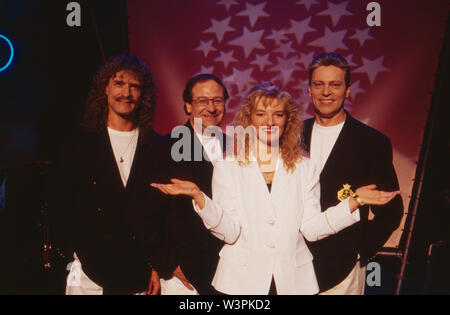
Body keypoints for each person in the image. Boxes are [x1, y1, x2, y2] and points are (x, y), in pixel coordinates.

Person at [152, 83, 400, 295]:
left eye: (278, 115)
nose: (269, 122)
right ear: (249, 120)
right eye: (261, 114)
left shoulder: (305, 167)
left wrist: (354, 201)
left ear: (288, 120)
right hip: (241, 283)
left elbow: (312, 229)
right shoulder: (228, 166)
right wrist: (200, 197)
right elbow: (229, 232)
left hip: (293, 281)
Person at [49, 55, 172, 295]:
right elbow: (60, 205)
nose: (126, 93)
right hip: (88, 274)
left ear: (143, 94)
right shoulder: (78, 144)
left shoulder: (158, 146)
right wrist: (75, 255)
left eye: (134, 86)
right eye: (119, 83)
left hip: (140, 273)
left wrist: (157, 265)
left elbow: (163, 214)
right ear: (105, 88)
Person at [302, 52, 404, 294]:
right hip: (293, 266)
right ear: (309, 90)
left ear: (347, 90)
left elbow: (391, 211)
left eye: (335, 85)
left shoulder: (372, 143)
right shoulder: (290, 136)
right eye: (319, 84)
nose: (326, 92)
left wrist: (359, 251)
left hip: (343, 273)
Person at [160, 74, 230, 295]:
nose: (211, 107)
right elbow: (147, 212)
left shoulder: (239, 147)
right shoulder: (164, 147)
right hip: (183, 275)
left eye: (217, 100)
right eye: (202, 101)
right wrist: (167, 263)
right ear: (188, 106)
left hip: (229, 269)